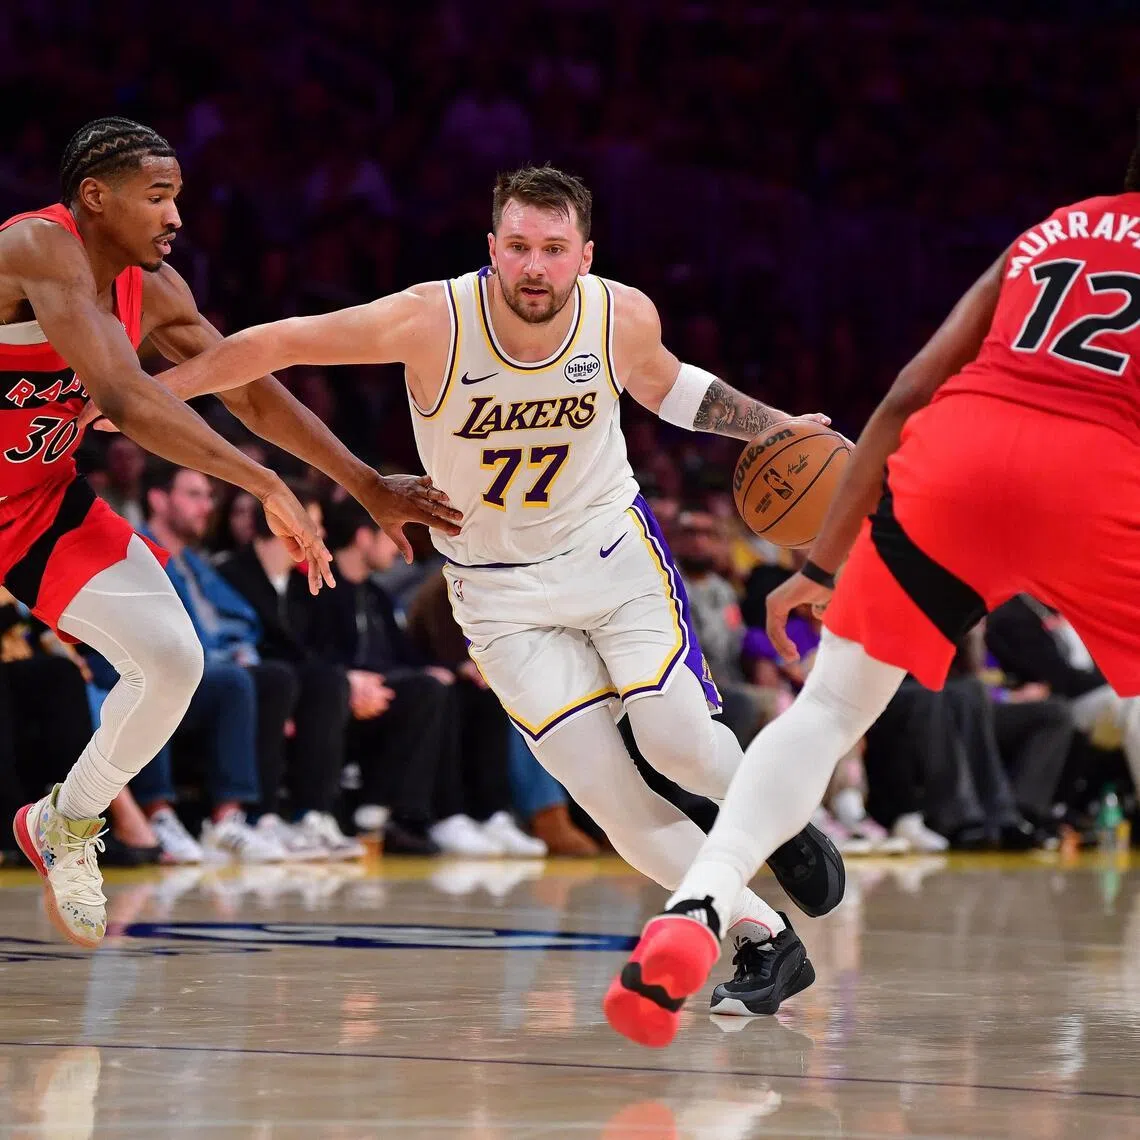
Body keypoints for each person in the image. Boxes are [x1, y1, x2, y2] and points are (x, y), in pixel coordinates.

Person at [144, 164, 846, 1011]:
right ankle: (765, 938)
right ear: (492, 248)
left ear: (584, 255)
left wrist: (776, 427)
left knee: (675, 743)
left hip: (609, 558)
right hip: (496, 593)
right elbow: (276, 342)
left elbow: (671, 386)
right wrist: (147, 396)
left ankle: (777, 817)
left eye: (553, 249)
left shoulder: (618, 314)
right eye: (518, 247)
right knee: (610, 802)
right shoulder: (430, 319)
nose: (535, 268)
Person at [604, 131, 1140, 1045]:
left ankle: (697, 905)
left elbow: (901, 396)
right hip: (1104, 470)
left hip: (960, 456)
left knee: (825, 713)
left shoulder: (1051, 232)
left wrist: (819, 563)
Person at [3, 116, 458, 947]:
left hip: (34, 505)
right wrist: (262, 481)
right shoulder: (37, 246)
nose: (176, 216)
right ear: (96, 198)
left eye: (179, 196)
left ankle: (67, 819)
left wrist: (362, 484)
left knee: (175, 662)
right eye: (158, 196)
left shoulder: (158, 291)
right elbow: (128, 398)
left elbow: (247, 389)